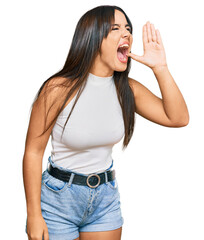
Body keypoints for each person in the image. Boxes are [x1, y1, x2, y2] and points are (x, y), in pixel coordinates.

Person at [22, 5, 189, 240]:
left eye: (128, 28)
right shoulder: (57, 89)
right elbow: (33, 151)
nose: (127, 34)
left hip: (104, 198)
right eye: (116, 28)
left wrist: (160, 68)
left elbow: (178, 118)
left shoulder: (127, 90)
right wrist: (34, 215)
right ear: (93, 36)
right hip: (58, 199)